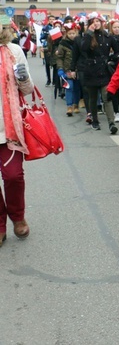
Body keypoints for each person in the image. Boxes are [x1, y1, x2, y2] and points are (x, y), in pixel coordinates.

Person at [0, 18, 34, 249]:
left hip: (7, 128)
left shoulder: (13, 50)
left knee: (13, 176)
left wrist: (22, 77)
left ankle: (17, 215)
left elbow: (28, 89)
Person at [78, 12, 117, 134]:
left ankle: (111, 123)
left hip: (104, 70)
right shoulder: (87, 36)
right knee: (93, 98)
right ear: (90, 23)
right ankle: (95, 120)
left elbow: (117, 52)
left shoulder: (107, 36)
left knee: (107, 97)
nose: (96, 23)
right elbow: (83, 48)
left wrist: (111, 61)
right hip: (91, 70)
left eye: (98, 21)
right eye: (94, 21)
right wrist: (89, 33)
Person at [55, 23, 81, 117]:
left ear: (76, 33)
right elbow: (60, 57)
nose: (72, 35)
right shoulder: (63, 43)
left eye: (73, 33)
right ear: (66, 34)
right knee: (69, 87)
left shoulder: (79, 42)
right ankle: (69, 106)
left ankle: (76, 105)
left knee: (77, 88)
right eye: (70, 34)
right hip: (67, 69)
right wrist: (60, 68)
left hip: (78, 69)